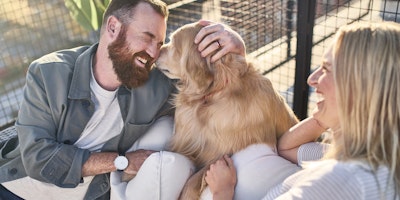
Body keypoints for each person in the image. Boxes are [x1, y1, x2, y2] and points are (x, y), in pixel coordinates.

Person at [0, 0, 246, 199]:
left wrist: (237, 50)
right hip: (20, 190)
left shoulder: (157, 85)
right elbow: (39, 159)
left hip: (93, 194)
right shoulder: (48, 73)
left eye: (159, 43)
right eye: (147, 37)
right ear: (113, 27)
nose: (153, 52)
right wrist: (122, 162)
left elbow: (212, 87)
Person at [204, 21, 400, 200]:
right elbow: (286, 148)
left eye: (326, 69)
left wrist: (223, 192)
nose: (312, 79)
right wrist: (327, 117)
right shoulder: (373, 162)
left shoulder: (337, 181)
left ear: (361, 89)